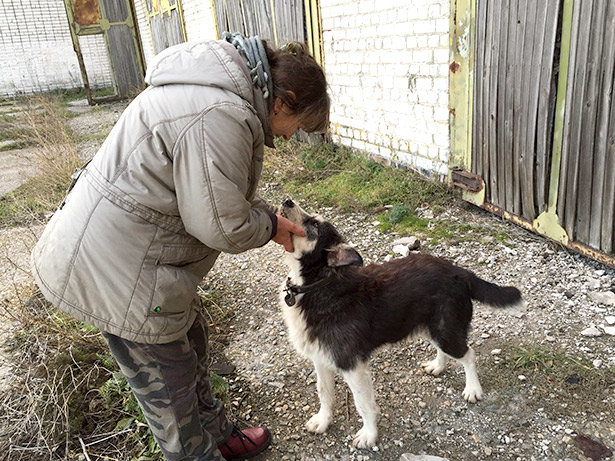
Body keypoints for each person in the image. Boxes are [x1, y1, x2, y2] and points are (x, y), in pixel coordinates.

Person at [30, 32, 329, 460]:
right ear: (284, 101)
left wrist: (267, 219)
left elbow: (211, 192)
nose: (290, 136)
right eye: (298, 126)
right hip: (117, 267)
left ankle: (217, 434)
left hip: (136, 252)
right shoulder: (219, 112)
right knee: (168, 386)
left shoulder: (218, 96)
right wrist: (267, 226)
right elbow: (221, 225)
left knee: (193, 339)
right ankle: (196, 452)